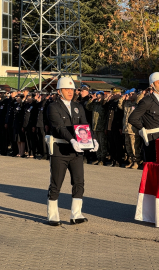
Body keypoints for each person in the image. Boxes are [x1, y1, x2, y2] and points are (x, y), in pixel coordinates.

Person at [46, 76, 99, 226]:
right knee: (56, 183)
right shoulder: (53, 106)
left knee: (79, 182)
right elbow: (59, 127)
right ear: (59, 91)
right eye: (67, 89)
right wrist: (72, 140)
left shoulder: (78, 106)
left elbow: (84, 124)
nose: (70, 92)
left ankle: (76, 214)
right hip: (60, 149)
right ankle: (53, 215)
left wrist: (92, 140)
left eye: (72, 89)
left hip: (77, 151)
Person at [128, 72, 159, 162]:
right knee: (153, 167)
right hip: (153, 139)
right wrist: (142, 129)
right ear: (152, 85)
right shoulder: (146, 101)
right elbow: (133, 118)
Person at [118, 88, 144, 169]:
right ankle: (131, 161)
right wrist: (122, 98)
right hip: (126, 129)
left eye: (132, 94)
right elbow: (120, 106)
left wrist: (141, 94)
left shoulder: (138, 103)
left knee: (134, 147)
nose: (130, 96)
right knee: (128, 146)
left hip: (134, 130)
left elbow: (140, 100)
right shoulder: (127, 103)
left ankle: (136, 162)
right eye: (129, 94)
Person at [104, 88, 125, 167]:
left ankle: (118, 160)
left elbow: (121, 116)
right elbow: (105, 108)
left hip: (117, 126)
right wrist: (108, 98)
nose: (114, 94)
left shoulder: (121, 103)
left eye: (116, 93)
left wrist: (120, 127)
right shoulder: (111, 102)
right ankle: (113, 160)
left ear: (120, 94)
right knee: (111, 144)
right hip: (110, 126)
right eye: (113, 93)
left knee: (118, 145)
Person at [86, 91, 107, 165]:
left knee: (102, 144)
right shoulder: (95, 104)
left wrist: (103, 99)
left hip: (101, 127)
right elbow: (88, 107)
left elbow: (105, 104)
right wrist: (91, 99)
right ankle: (98, 158)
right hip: (95, 127)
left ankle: (103, 159)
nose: (98, 97)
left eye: (99, 95)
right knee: (97, 144)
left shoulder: (103, 104)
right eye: (97, 95)